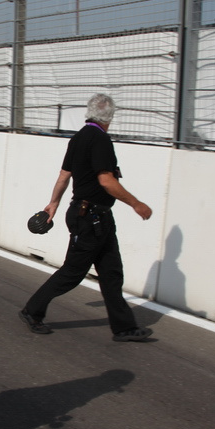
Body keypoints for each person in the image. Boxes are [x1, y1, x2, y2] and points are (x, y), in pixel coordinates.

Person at [19, 93, 154, 342]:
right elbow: (106, 181)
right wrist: (136, 203)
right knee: (73, 271)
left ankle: (124, 327)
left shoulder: (79, 137)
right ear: (109, 117)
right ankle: (32, 310)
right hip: (90, 218)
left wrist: (53, 203)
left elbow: (64, 175)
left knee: (111, 273)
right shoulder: (100, 140)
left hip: (95, 217)